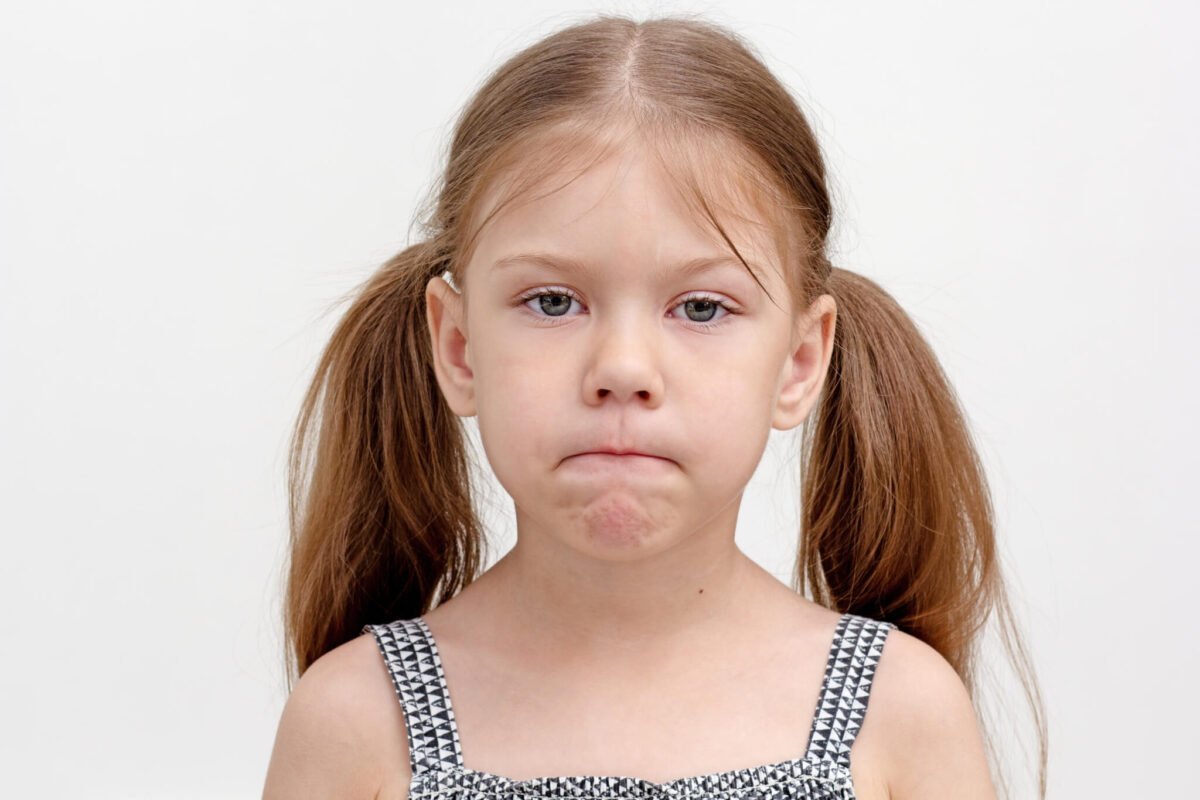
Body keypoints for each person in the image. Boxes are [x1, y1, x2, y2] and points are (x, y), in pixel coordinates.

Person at [262, 13, 1046, 800]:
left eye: (701, 308)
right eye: (553, 301)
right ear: (459, 348)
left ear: (799, 362)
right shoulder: (355, 724)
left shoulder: (900, 715)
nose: (623, 369)